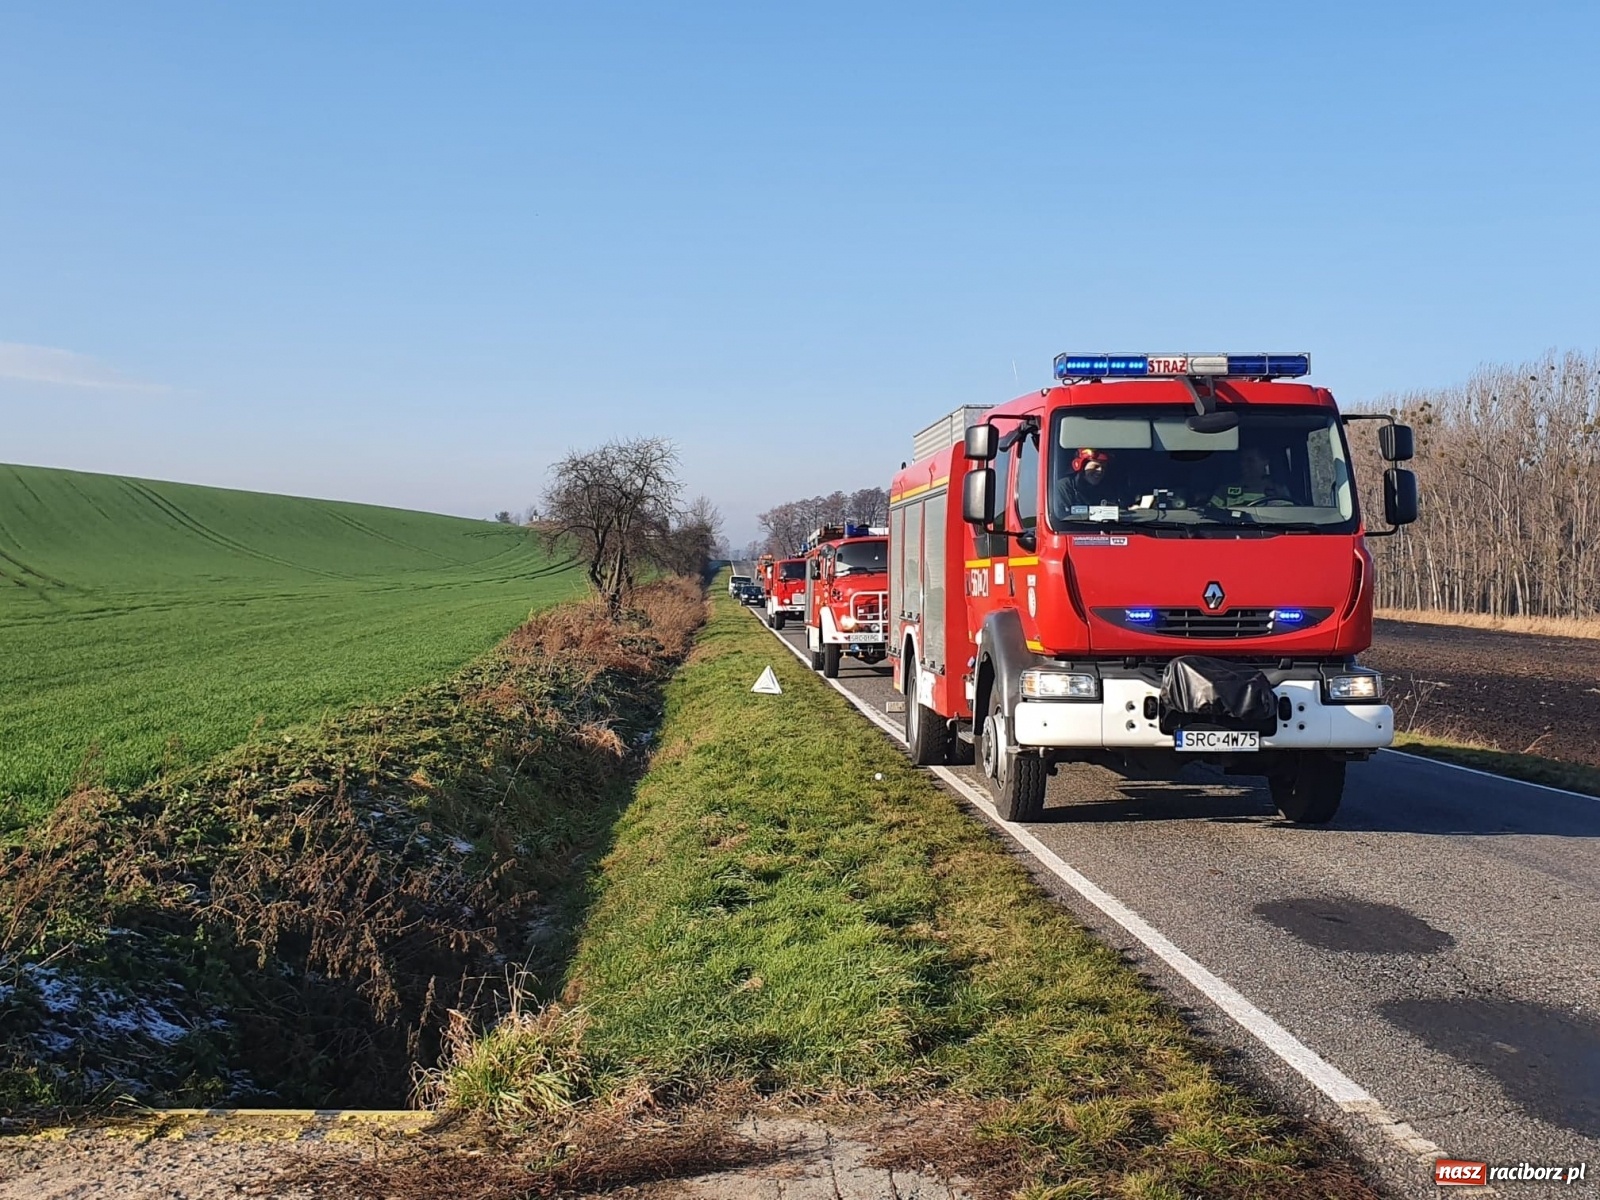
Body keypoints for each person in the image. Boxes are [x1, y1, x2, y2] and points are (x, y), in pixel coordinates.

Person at [1208, 446, 1291, 508]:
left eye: (1250, 460)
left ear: (1265, 461)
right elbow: (1209, 517)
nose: (1243, 465)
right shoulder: (1224, 492)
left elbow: (1288, 516)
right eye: (1242, 460)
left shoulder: (1278, 490)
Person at [1055, 448, 1120, 512]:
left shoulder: (1107, 489)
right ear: (1082, 467)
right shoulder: (1064, 487)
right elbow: (1062, 517)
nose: (1100, 471)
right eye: (1095, 466)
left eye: (1103, 467)